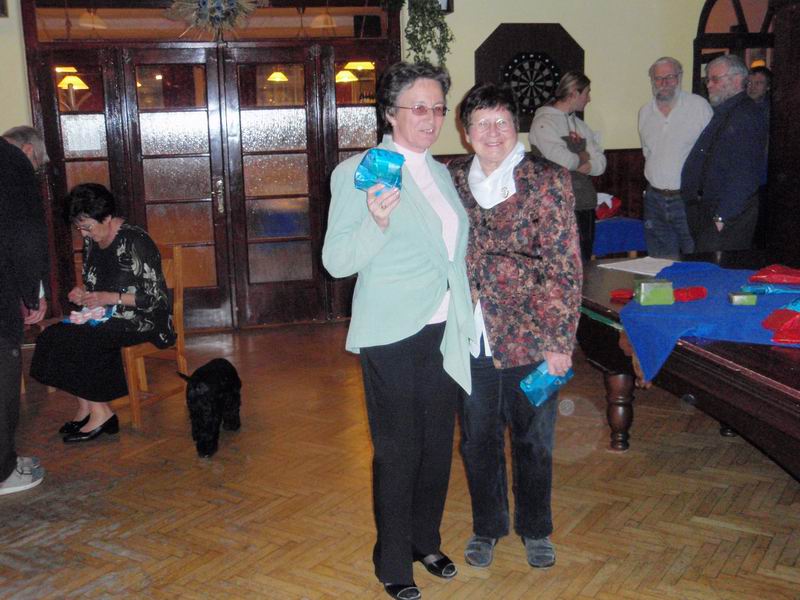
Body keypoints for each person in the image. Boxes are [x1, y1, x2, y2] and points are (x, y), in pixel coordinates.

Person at [322, 62, 474, 600]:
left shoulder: (441, 174)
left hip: (445, 327)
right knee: (398, 449)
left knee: (436, 446)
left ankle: (424, 541)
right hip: (392, 332)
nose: (431, 118)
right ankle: (391, 561)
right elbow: (337, 261)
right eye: (419, 108)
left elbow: (450, 253)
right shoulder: (358, 172)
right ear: (390, 113)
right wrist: (377, 222)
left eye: (438, 108)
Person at [449, 83, 582, 570]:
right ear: (466, 133)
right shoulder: (452, 179)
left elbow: (564, 264)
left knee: (534, 439)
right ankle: (487, 527)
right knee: (477, 440)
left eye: (501, 121)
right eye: (481, 123)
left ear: (516, 127)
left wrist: (559, 342)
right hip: (470, 336)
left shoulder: (547, 179)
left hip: (533, 336)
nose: (492, 132)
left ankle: (536, 529)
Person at [30, 183, 175, 443]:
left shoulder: (135, 241)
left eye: (87, 227)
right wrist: (82, 293)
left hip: (142, 318)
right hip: (105, 314)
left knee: (84, 339)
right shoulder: (93, 241)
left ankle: (102, 413)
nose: (84, 234)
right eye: (79, 228)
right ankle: (86, 407)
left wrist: (110, 298)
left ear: (107, 217)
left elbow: (157, 299)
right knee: (53, 336)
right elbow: (94, 284)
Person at [0, 126, 49, 496]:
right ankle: (3, 472)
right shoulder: (13, 165)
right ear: (29, 150)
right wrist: (34, 295)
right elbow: (25, 236)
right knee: (3, 381)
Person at [681, 55, 769, 252]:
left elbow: (745, 174)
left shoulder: (746, 115)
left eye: (715, 79)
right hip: (709, 209)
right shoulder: (725, 111)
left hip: (726, 214)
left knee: (715, 268)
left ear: (737, 80)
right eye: (707, 80)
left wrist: (722, 217)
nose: (709, 85)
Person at [638, 57, 713, 257]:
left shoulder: (699, 107)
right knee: (659, 260)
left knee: (695, 256)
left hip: (688, 200)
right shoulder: (645, 112)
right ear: (652, 81)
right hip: (654, 198)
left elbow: (711, 154)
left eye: (669, 77)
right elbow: (647, 153)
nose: (664, 83)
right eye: (658, 78)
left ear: (679, 77)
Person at [529, 71, 606, 262]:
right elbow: (562, 161)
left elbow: (601, 163)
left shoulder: (581, 126)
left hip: (584, 204)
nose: (589, 98)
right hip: (556, 207)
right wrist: (583, 157)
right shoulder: (543, 123)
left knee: (584, 263)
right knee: (559, 265)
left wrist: (588, 164)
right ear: (574, 93)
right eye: (586, 92)